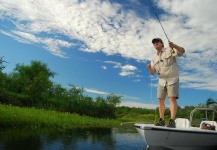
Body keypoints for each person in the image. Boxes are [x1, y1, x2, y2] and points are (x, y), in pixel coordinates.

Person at [147, 38, 185, 128]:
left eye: (157, 42)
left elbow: (182, 51)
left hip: (172, 79)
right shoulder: (154, 58)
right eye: (154, 43)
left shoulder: (169, 50)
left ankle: (172, 121)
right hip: (161, 81)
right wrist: (149, 68)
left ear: (162, 44)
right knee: (160, 100)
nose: (155, 43)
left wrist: (174, 46)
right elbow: (153, 72)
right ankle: (162, 120)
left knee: (172, 99)